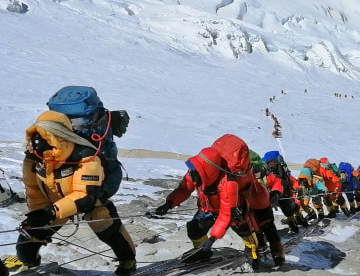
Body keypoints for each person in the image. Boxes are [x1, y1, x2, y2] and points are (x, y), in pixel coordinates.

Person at [17, 111, 136, 275]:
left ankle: (128, 264)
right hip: (56, 204)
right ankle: (33, 267)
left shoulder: (86, 156)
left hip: (90, 201)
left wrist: (51, 212)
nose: (37, 141)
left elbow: (85, 196)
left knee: (110, 232)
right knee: (26, 244)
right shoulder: (35, 158)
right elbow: (34, 189)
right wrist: (37, 213)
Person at [155, 135, 284, 269]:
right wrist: (169, 203)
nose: (192, 174)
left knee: (246, 234)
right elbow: (184, 188)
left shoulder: (228, 184)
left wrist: (212, 239)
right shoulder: (196, 171)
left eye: (195, 172)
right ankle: (202, 252)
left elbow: (226, 214)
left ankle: (255, 254)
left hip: (235, 210)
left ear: (206, 171)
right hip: (209, 207)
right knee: (194, 229)